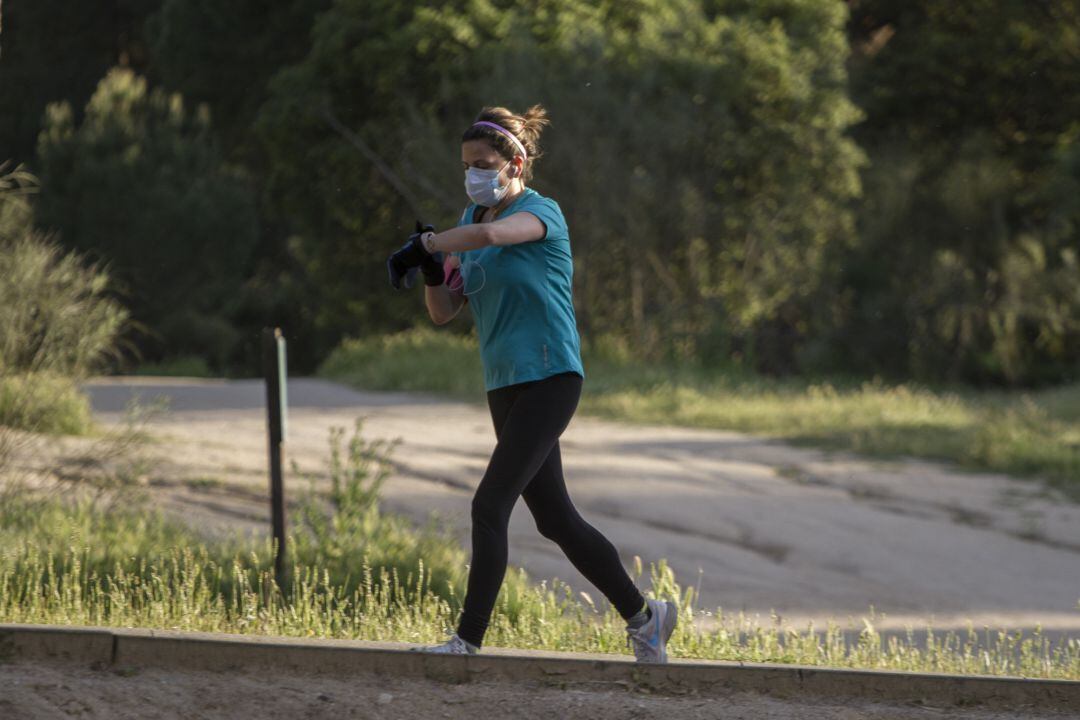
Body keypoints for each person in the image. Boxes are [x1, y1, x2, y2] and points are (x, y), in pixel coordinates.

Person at [385, 105, 677, 663]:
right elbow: (444, 310)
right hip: (505, 383)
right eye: (467, 164)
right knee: (555, 518)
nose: (474, 174)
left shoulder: (540, 213)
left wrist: (431, 244)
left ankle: (466, 641)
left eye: (484, 163)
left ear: (515, 163)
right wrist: (428, 268)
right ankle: (646, 618)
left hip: (550, 376)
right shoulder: (470, 216)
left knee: (489, 505)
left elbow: (495, 233)